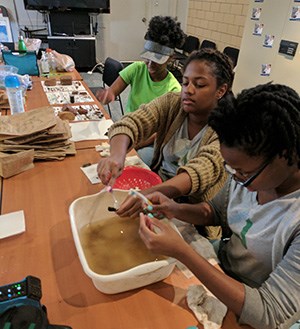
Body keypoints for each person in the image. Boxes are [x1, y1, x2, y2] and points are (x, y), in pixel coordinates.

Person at [138, 82, 300, 329]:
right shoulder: (247, 175)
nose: (235, 178)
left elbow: (270, 313)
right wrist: (175, 208)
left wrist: (183, 252)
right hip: (224, 267)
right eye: (231, 169)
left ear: (287, 155)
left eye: (244, 173)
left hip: (257, 304)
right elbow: (216, 211)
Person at [97, 48, 235, 239]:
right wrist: (116, 155)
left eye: (200, 84)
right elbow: (131, 122)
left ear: (221, 90)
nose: (189, 90)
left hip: (190, 214)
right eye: (185, 82)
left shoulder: (227, 130)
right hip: (157, 189)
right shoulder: (173, 103)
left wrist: (146, 195)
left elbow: (197, 173)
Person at [96, 15, 185, 114]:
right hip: (128, 124)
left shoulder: (173, 90)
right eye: (148, 58)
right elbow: (112, 92)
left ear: (170, 58)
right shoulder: (137, 69)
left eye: (156, 60)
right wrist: (107, 95)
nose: (150, 64)